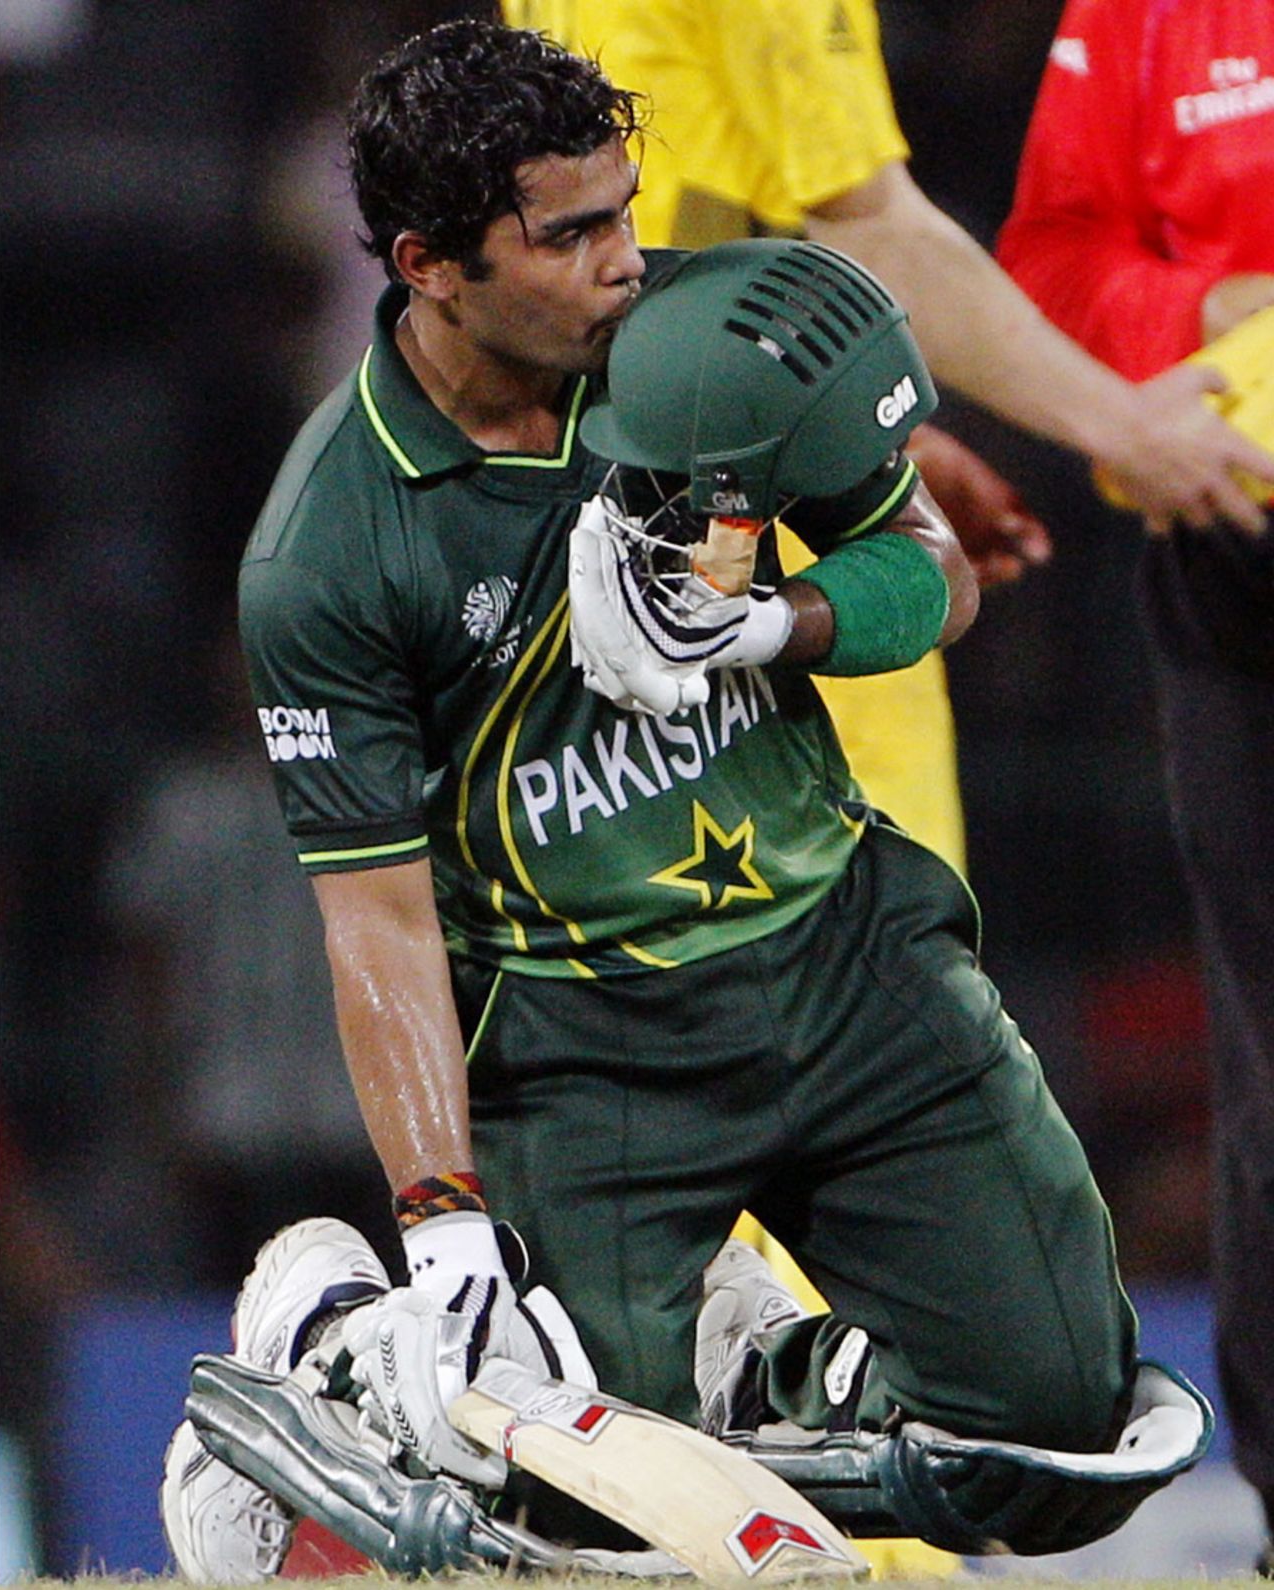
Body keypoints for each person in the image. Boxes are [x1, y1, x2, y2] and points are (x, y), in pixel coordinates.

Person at [162, 22, 1212, 1576]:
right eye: (569, 235)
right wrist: (445, 1226)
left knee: (1056, 1439)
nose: (625, 264)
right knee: (567, 1507)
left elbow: (932, 569)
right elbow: (379, 922)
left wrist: (775, 621)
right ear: (430, 265)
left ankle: (743, 1367)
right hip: (587, 1054)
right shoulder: (329, 548)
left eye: (627, 212)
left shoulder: (711, 339)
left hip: (851, 969)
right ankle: (353, 1341)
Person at [500, 0, 1274, 875]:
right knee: (886, 929)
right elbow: (871, 226)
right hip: (768, 545)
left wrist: (868, 427)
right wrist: (1128, 428)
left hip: (624, 510)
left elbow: (692, 211)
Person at [995, 0, 1274, 1571]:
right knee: (1271, 1074)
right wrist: (1217, 305)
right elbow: (1048, 272)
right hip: (1235, 557)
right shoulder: (1152, 13)